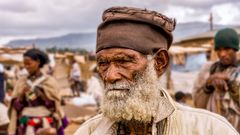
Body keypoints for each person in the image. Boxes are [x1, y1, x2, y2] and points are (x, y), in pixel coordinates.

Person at [74, 7, 238, 135]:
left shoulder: (209, 129)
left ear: (159, 63)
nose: (110, 76)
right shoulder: (89, 131)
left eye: (123, 61)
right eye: (103, 63)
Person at [8, 49, 68, 135]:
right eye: (25, 64)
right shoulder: (22, 82)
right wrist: (21, 96)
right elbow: (16, 108)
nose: (26, 67)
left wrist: (40, 93)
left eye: (29, 64)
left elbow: (54, 105)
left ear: (38, 62)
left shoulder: (49, 81)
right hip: (25, 123)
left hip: (45, 122)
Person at [193, 28, 240, 132]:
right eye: (219, 49)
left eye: (227, 49)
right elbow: (198, 106)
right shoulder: (208, 70)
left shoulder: (237, 73)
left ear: (235, 49)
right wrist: (208, 85)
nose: (222, 54)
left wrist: (231, 81)